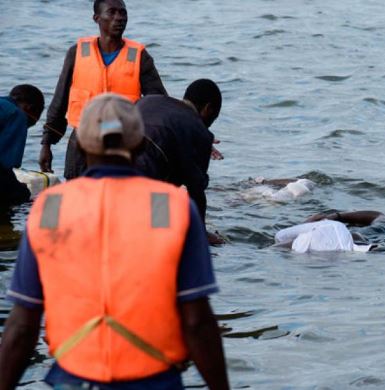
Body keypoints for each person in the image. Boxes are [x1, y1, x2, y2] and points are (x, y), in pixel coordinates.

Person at [0, 94, 229, 389]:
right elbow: (197, 321)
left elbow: (22, 324)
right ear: (140, 143)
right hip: (154, 378)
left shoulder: (52, 207)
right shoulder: (169, 206)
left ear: (81, 144)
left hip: (74, 377)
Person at [39, 0, 166, 179]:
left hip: (122, 142)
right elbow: (59, 102)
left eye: (123, 13)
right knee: (78, 195)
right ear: (97, 18)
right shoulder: (77, 53)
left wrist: (192, 132)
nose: (119, 18)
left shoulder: (139, 56)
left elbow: (159, 103)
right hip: (83, 140)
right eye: (112, 13)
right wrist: (46, 144)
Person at [134, 79, 224, 244]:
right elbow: (196, 190)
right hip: (150, 188)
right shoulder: (199, 130)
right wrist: (201, 233)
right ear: (207, 109)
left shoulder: (148, 101)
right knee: (160, 239)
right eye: (214, 118)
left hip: (106, 178)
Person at [0, 85, 44, 206]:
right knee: (21, 195)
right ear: (30, 108)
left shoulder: (3, 104)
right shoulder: (17, 115)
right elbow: (6, 164)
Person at [274, 211, 385, 253]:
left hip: (308, 247)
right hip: (353, 247)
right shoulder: (355, 236)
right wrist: (337, 216)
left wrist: (306, 223)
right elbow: (379, 217)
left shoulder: (296, 239)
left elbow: (279, 238)